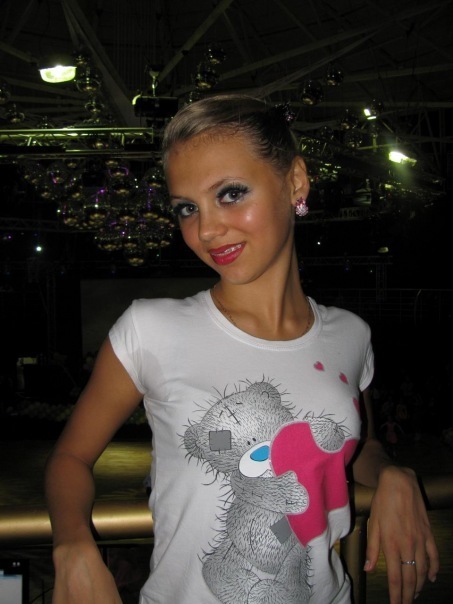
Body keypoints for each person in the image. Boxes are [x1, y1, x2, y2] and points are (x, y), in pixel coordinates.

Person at [45, 94, 439, 604]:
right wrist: (73, 545)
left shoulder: (351, 335)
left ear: (295, 182)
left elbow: (355, 446)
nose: (206, 230)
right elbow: (70, 457)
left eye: (230, 194)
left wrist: (390, 473)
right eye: (187, 208)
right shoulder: (150, 329)